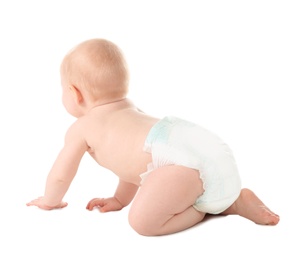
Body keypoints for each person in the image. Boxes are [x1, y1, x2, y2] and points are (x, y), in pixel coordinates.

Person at [26, 38, 280, 236]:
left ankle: (211, 207)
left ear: (74, 93)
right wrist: (118, 199)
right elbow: (138, 167)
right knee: (157, 178)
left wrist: (50, 201)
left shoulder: (83, 127)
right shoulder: (132, 111)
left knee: (143, 223)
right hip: (193, 147)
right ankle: (232, 200)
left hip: (183, 169)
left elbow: (61, 174)